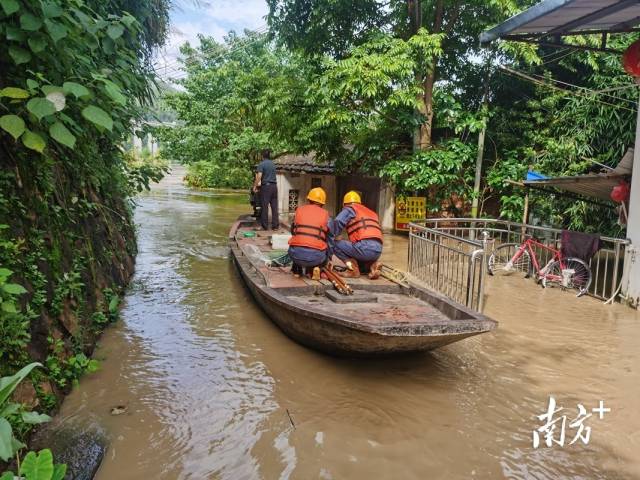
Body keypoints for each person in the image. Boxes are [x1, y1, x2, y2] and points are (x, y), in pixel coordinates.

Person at [331, 190, 383, 279]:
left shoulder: (350, 208)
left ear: (345, 204)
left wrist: (333, 235)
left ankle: (353, 270)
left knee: (334, 244)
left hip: (364, 248)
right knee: (361, 266)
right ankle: (373, 265)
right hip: (378, 250)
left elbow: (338, 221)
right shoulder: (371, 212)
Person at [288, 187, 330, 280]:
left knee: (296, 239)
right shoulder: (326, 214)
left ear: (309, 199)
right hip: (316, 258)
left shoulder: (299, 210)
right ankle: (315, 268)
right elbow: (329, 236)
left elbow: (293, 231)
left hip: (295, 255)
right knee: (327, 243)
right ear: (322, 203)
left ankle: (296, 270)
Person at [253, 148, 279, 230]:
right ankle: (275, 226)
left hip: (266, 187)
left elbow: (259, 176)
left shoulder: (262, 164)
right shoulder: (273, 164)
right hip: (274, 187)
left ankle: (265, 226)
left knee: (264, 206)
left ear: (262, 156)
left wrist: (255, 186)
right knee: (274, 207)